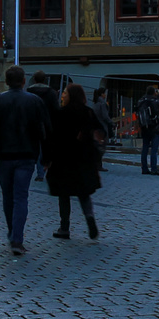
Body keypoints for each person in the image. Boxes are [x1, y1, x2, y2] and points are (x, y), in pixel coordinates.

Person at [0, 65, 51, 255]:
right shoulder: (34, 101)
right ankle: (17, 238)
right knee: (20, 196)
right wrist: (47, 157)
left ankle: (13, 232)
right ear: (24, 81)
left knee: (8, 196)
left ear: (6, 81)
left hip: (3, 155)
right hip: (26, 155)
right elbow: (44, 131)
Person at [46, 83, 106, 240]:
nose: (63, 95)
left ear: (71, 95)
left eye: (65, 93)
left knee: (64, 195)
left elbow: (53, 139)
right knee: (83, 193)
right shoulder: (88, 113)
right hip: (84, 159)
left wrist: (47, 159)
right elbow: (100, 131)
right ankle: (89, 218)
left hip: (64, 160)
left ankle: (64, 227)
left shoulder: (61, 114)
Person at [27, 72, 60, 181]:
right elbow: (55, 109)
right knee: (44, 147)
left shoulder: (28, 92)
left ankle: (37, 171)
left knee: (33, 147)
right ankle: (43, 171)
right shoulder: (51, 93)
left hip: (32, 123)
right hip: (47, 123)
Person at [135, 84, 159, 176]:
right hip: (155, 127)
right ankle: (154, 168)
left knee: (145, 148)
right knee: (154, 150)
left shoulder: (141, 101)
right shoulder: (156, 101)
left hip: (144, 127)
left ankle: (144, 168)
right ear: (154, 92)